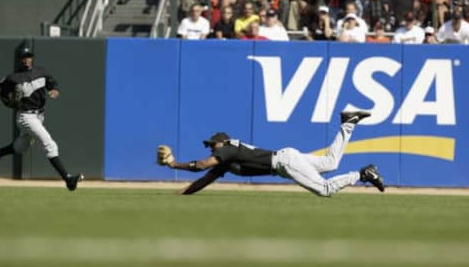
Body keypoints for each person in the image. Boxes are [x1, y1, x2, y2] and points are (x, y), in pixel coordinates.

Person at [161, 111, 385, 196]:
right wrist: (177, 196)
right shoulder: (226, 160)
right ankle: (348, 123)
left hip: (284, 163)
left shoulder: (228, 148)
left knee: (325, 189)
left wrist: (174, 165)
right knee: (331, 162)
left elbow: (201, 166)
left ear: (223, 142)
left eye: (213, 144)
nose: (211, 147)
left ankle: (362, 174)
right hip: (286, 160)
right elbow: (203, 180)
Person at [0, 47, 83, 191]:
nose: (26, 59)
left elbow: (53, 83)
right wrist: (10, 103)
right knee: (49, 144)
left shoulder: (41, 72)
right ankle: (68, 179)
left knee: (21, 147)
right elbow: (2, 91)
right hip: (25, 116)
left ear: (32, 57)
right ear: (20, 59)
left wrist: (55, 90)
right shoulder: (13, 78)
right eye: (24, 56)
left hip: (39, 116)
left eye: (29, 56)